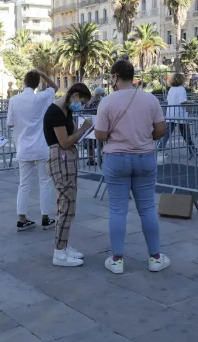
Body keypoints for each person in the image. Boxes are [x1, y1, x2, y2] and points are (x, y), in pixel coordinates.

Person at [95, 60, 170, 274]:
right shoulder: (150, 99)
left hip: (116, 158)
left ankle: (117, 260)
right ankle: (155, 257)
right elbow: (161, 130)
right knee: (147, 208)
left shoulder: (107, 102)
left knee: (117, 209)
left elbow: (100, 134)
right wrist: (144, 138)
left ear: (116, 76)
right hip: (144, 156)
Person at [43, 83, 94, 267]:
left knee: (69, 205)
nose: (81, 106)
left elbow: (71, 136)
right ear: (75, 95)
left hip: (66, 158)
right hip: (61, 158)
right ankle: (59, 251)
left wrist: (81, 131)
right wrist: (84, 129)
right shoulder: (56, 112)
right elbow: (65, 142)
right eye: (82, 101)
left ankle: (63, 245)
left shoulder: (66, 110)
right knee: (65, 205)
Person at [7, 69, 58, 231]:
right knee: (45, 182)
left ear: (24, 82)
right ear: (37, 84)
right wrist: (43, 74)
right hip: (41, 147)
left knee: (24, 184)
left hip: (23, 148)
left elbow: (10, 124)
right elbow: (55, 87)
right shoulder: (41, 98)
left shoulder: (14, 100)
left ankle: (22, 219)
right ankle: (46, 218)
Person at [158, 73, 198, 157]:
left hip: (171, 114)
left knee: (167, 133)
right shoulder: (181, 89)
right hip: (180, 114)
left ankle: (159, 149)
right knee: (186, 134)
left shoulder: (171, 89)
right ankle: (192, 150)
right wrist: (191, 102)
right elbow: (182, 102)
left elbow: (169, 100)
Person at [83, 87, 105, 166]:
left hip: (94, 123)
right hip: (93, 123)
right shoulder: (93, 100)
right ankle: (93, 159)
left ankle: (97, 158)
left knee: (97, 143)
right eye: (102, 94)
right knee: (92, 143)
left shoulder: (100, 100)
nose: (103, 95)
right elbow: (87, 108)